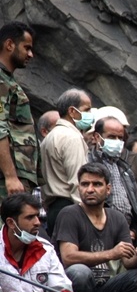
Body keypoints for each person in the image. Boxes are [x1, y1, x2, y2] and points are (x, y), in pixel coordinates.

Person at [0, 193, 109, 292]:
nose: (37, 222)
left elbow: (60, 287)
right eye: (30, 218)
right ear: (11, 223)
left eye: (38, 216)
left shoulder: (45, 249)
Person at [52, 163, 137, 292]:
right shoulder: (69, 214)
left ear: (108, 189)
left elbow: (128, 261)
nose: (89, 189)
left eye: (96, 184)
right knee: (80, 271)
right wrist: (111, 254)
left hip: (103, 288)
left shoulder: (117, 218)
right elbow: (69, 258)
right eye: (84, 184)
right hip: (71, 289)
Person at [88, 115, 137, 244]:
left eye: (120, 138)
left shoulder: (127, 163)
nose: (117, 141)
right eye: (111, 137)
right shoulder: (88, 163)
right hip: (102, 234)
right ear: (97, 137)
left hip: (136, 236)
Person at [40, 88, 93, 235]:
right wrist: (87, 216)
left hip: (54, 209)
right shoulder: (71, 137)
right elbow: (78, 180)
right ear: (72, 111)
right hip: (70, 208)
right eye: (87, 109)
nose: (90, 115)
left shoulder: (50, 137)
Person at [0, 22, 37, 201]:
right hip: (6, 180)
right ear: (9, 45)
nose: (31, 54)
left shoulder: (8, 80)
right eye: (27, 47)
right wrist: (10, 176)